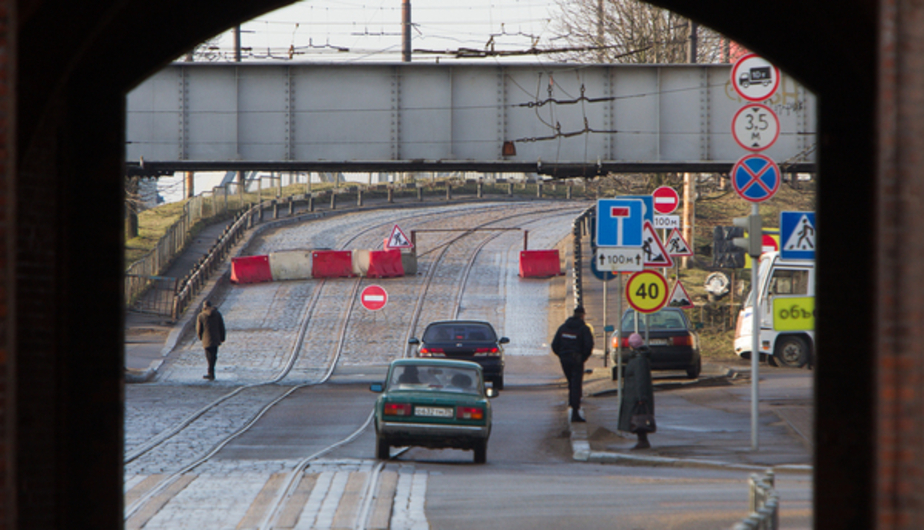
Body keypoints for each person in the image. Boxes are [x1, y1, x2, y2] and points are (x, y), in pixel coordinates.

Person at [551, 306, 595, 422]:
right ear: (582, 316)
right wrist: (582, 358)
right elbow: (588, 346)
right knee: (575, 383)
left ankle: (573, 404)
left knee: (571, 382)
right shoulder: (584, 329)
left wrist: (561, 355)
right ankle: (575, 410)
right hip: (576, 359)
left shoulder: (563, 328)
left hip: (565, 359)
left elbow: (555, 345)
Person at [618, 333, 655, 449]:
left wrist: (641, 397)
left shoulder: (639, 360)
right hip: (635, 394)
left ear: (631, 345)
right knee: (638, 418)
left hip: (636, 395)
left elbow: (640, 379)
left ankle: (643, 441)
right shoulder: (638, 357)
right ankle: (642, 440)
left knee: (639, 418)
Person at [196, 300, 226, 381]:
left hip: (206, 339)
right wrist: (222, 337)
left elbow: (199, 329)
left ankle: (210, 372)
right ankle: (211, 372)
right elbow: (221, 326)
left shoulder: (201, 316)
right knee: (214, 356)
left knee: (208, 356)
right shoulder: (217, 314)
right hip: (216, 338)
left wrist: (200, 337)